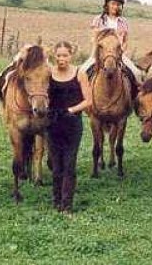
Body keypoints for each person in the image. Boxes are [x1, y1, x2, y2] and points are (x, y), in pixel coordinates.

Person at [47, 41, 93, 213]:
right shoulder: (49, 73)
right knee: (56, 165)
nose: (61, 59)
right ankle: (56, 200)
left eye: (64, 55)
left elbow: (88, 100)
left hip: (71, 123)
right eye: (58, 55)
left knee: (69, 164)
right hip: (53, 123)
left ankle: (67, 204)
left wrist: (71, 110)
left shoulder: (79, 73)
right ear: (54, 56)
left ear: (70, 55)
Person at [80, 0, 143, 100]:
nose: (115, 6)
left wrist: (121, 50)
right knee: (81, 72)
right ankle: (81, 100)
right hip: (99, 54)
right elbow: (94, 39)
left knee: (137, 73)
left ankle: (132, 100)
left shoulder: (123, 22)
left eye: (118, 4)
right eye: (113, 3)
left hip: (118, 54)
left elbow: (126, 41)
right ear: (107, 4)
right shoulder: (98, 20)